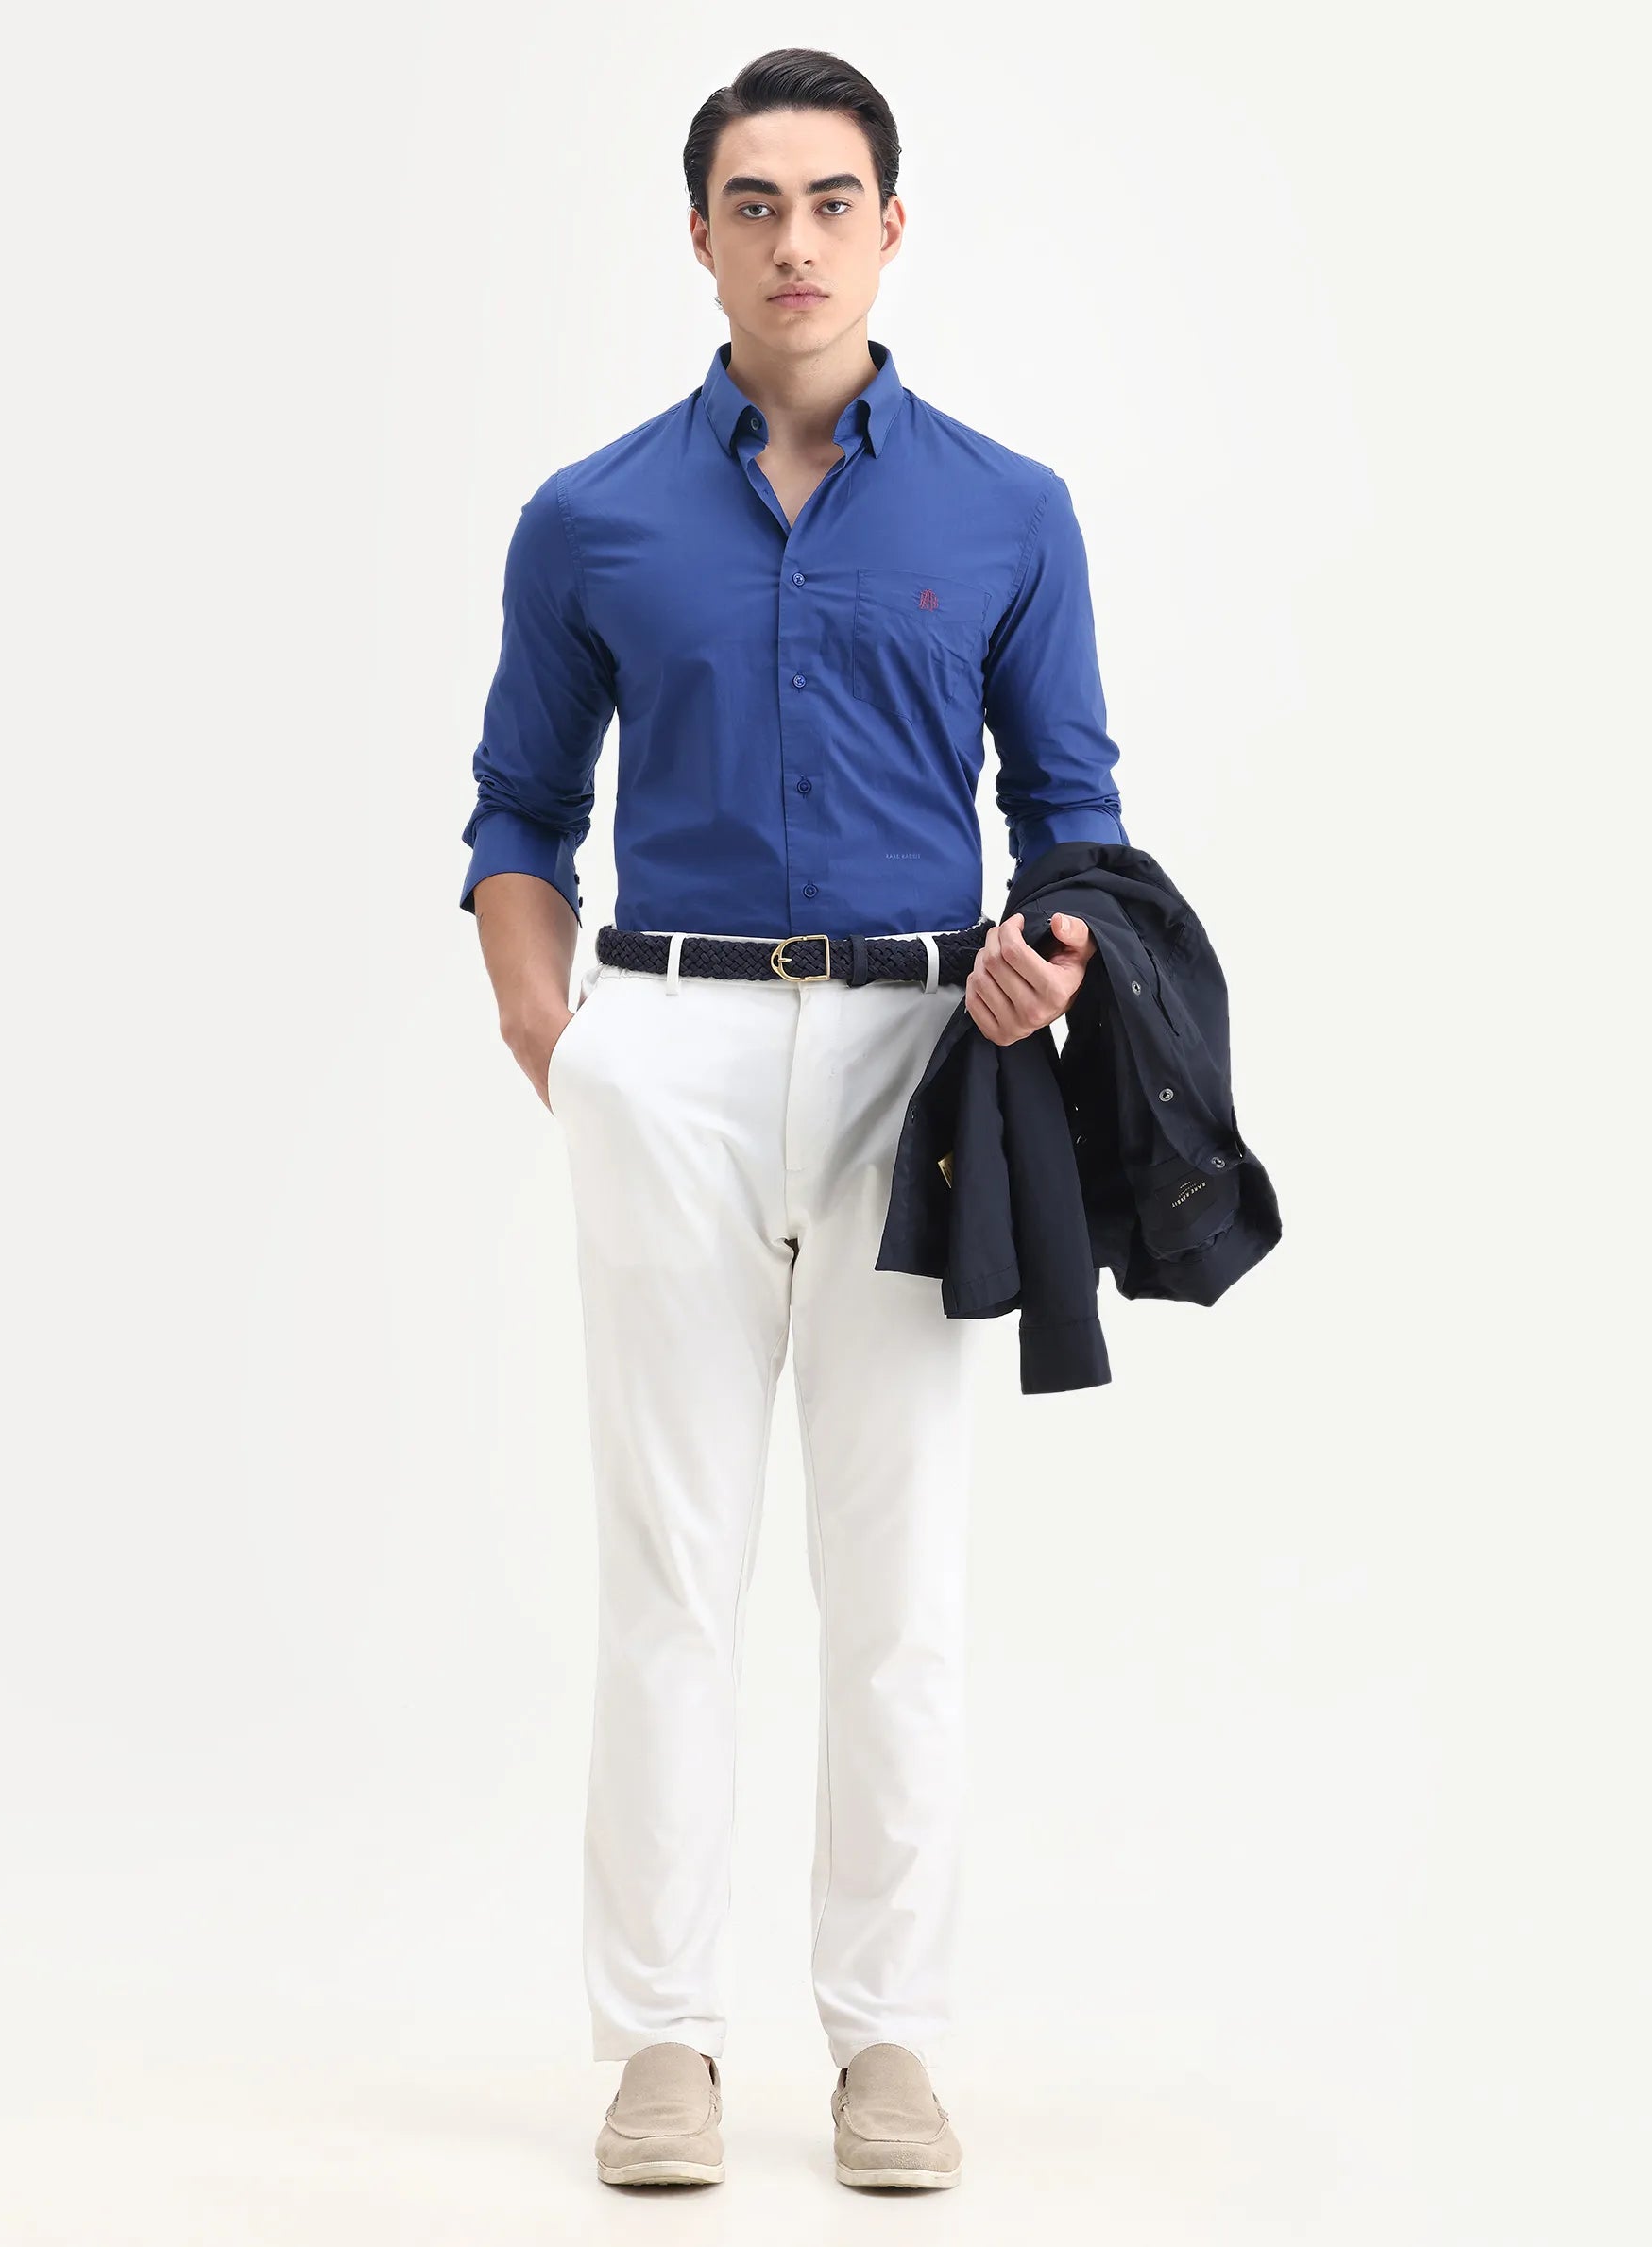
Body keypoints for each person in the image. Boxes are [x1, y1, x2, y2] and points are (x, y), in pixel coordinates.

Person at [459, 46, 1125, 2192]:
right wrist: (557, 1035)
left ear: (891, 228)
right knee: (669, 1568)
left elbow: (1074, 816)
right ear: (701, 237)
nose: (795, 240)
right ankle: (660, 2041)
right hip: (663, 1050)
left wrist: (1047, 958)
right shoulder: (590, 515)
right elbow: (519, 808)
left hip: (916, 1068)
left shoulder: (1009, 510)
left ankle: (887, 2043)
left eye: (832, 200)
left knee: (894, 1577)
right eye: (754, 203)